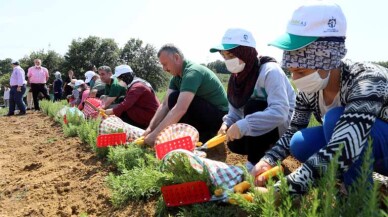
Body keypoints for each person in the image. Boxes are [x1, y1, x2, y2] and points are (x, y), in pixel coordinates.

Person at [251, 0, 388, 195]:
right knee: (299, 142)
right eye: (291, 72)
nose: (295, 79)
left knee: (334, 118)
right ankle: (346, 175)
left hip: (378, 147)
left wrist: (282, 190)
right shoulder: (310, 90)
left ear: (328, 59)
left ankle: (358, 197)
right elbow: (292, 130)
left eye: (300, 71)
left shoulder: (368, 80)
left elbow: (346, 144)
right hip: (364, 148)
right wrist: (268, 159)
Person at [209, 28, 296, 168]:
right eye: (224, 56)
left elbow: (280, 112)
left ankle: (255, 161)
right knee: (234, 142)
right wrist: (227, 124)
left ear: (245, 52)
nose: (227, 61)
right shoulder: (236, 79)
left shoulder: (270, 71)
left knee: (253, 105)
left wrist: (244, 125)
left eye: (231, 55)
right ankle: (263, 152)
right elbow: (235, 111)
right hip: (262, 130)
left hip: (284, 129)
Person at [143, 44, 229, 145]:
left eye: (165, 64)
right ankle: (191, 135)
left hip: (219, 117)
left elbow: (180, 109)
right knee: (172, 99)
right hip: (205, 112)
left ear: (176, 57)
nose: (164, 69)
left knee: (176, 99)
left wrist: (155, 135)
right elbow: (165, 104)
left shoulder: (192, 72)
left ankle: (204, 135)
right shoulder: (176, 78)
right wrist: (150, 129)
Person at [104, 64, 160, 129]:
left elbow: (126, 104)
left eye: (119, 79)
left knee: (123, 111)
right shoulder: (136, 83)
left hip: (149, 116)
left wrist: (112, 111)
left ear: (125, 77)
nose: (118, 81)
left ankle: (131, 130)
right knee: (122, 100)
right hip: (148, 112)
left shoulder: (137, 86)